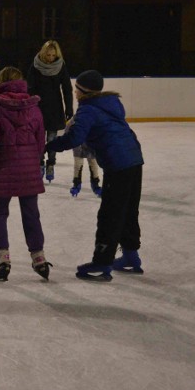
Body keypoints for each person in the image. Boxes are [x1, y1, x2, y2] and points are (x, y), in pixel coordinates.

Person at [46, 70, 144, 281]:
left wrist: (49, 146)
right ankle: (131, 256)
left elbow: (74, 138)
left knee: (110, 213)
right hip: (135, 159)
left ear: (83, 91)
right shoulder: (110, 103)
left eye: (75, 90)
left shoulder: (88, 109)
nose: (74, 93)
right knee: (128, 210)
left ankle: (102, 263)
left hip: (118, 164)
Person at [0, 66, 52, 281]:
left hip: (4, 168)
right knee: (31, 213)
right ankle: (39, 258)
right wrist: (35, 163)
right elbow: (40, 139)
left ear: (1, 81)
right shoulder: (33, 106)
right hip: (28, 168)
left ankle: (2, 258)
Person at [26, 40, 73, 182]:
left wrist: (69, 107)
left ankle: (51, 164)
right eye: (48, 55)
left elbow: (66, 88)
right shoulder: (35, 65)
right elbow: (29, 88)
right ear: (43, 53)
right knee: (39, 140)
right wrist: (29, 106)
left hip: (54, 107)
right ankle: (39, 163)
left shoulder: (61, 66)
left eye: (53, 55)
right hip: (38, 108)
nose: (50, 58)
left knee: (52, 140)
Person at [65, 117, 103, 197]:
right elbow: (68, 128)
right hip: (78, 145)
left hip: (90, 145)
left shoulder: (93, 117)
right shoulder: (76, 118)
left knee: (93, 164)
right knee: (78, 165)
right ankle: (76, 184)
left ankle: (95, 184)